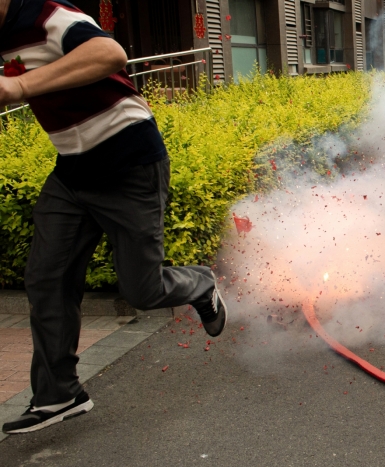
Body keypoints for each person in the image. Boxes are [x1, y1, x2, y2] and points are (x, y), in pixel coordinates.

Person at [0, 0, 227, 434]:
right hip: (71, 170)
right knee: (47, 278)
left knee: (142, 289)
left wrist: (21, 87)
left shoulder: (48, 16)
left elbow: (110, 54)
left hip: (129, 161)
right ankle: (58, 394)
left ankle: (201, 283)